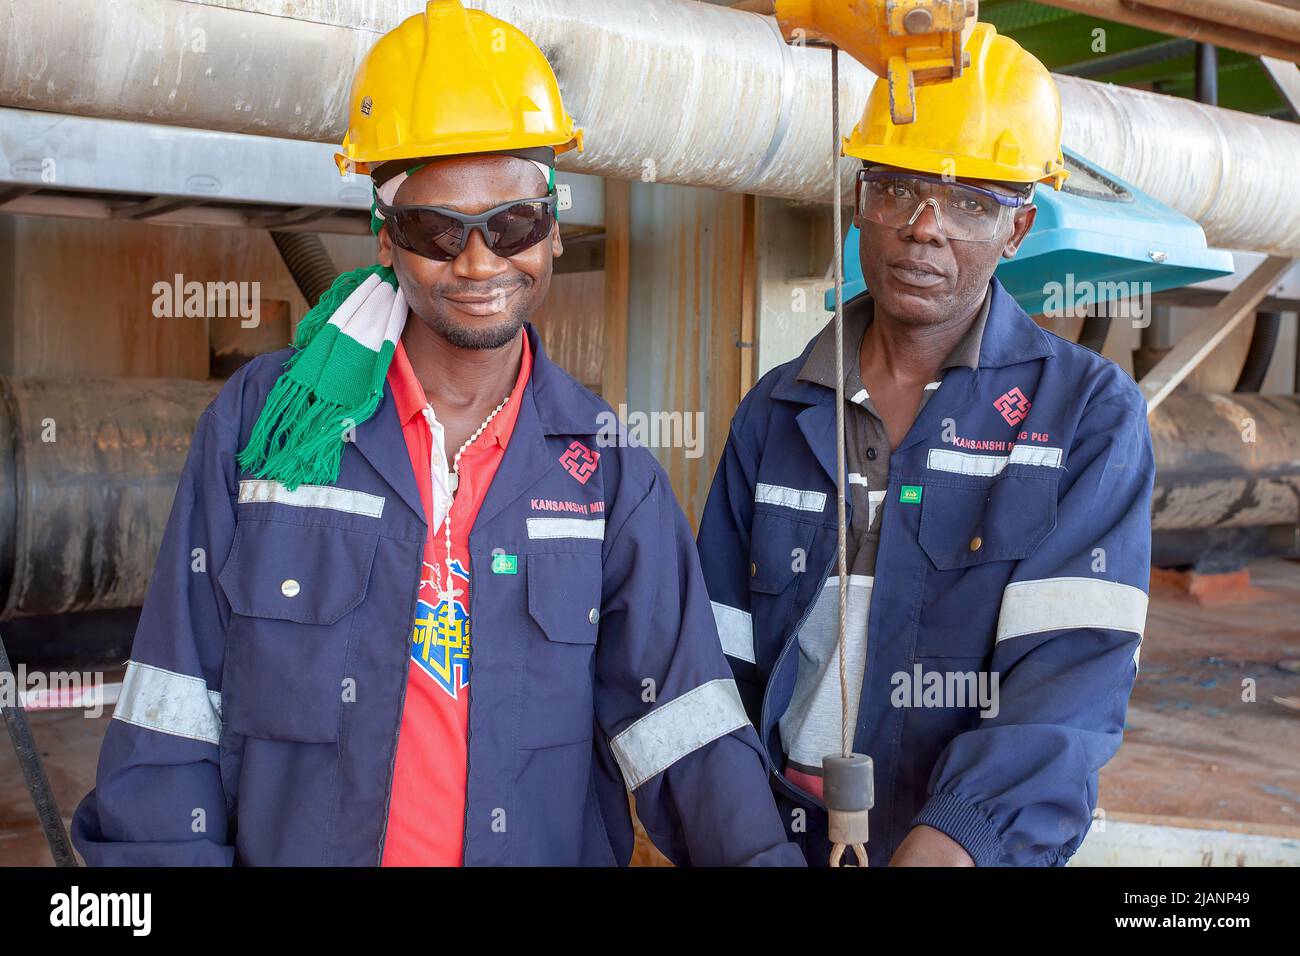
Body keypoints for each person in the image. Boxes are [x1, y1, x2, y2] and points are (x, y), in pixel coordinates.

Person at [73, 0, 801, 867]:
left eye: (513, 226)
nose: (480, 263)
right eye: (436, 231)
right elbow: (173, 707)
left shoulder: (603, 468)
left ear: (554, 231)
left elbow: (684, 730)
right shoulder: (268, 429)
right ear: (386, 239)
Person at [697, 23, 1155, 867]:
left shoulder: (1084, 416)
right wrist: (738, 837)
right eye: (897, 188)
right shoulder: (777, 411)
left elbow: (1071, 680)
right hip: (772, 834)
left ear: (1017, 229)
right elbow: (709, 659)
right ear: (860, 196)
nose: (923, 227)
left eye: (972, 203)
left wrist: (956, 841)